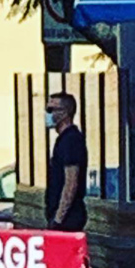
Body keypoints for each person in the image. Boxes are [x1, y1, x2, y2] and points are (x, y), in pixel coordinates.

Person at [45, 92, 88, 231]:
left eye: (51, 110)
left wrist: (58, 218)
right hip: (61, 218)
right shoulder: (63, 140)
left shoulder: (71, 140)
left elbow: (71, 182)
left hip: (68, 220)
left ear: (65, 113)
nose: (48, 114)